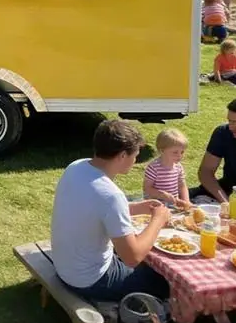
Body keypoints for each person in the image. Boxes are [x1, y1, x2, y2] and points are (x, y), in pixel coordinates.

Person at [50, 119, 170, 302]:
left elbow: (93, 209)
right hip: (89, 280)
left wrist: (138, 208)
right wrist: (158, 220)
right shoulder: (111, 196)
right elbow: (133, 257)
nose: (135, 160)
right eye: (135, 155)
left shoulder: (76, 167)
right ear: (122, 155)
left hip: (65, 267)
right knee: (163, 282)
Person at [142, 129, 189, 209]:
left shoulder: (178, 167)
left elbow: (182, 185)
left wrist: (186, 202)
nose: (179, 156)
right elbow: (147, 188)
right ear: (162, 151)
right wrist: (162, 194)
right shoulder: (154, 168)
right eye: (175, 152)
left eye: (182, 152)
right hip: (156, 206)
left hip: (173, 205)